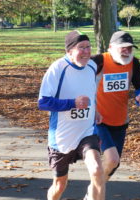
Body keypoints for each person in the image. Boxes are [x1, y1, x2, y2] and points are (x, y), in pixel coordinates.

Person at [38, 30, 105, 200]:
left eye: (89, 47)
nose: (87, 51)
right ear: (69, 51)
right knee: (60, 185)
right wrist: (72, 104)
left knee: (97, 170)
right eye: (81, 47)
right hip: (62, 136)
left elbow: (90, 92)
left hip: (86, 132)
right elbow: (43, 102)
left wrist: (95, 111)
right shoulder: (58, 69)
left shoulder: (92, 66)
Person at [91, 31, 140, 182]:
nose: (127, 51)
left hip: (120, 121)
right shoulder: (98, 61)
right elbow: (78, 77)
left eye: (130, 48)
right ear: (111, 47)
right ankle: (94, 192)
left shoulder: (133, 63)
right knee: (111, 160)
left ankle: (93, 192)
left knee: (113, 165)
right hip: (98, 119)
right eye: (123, 47)